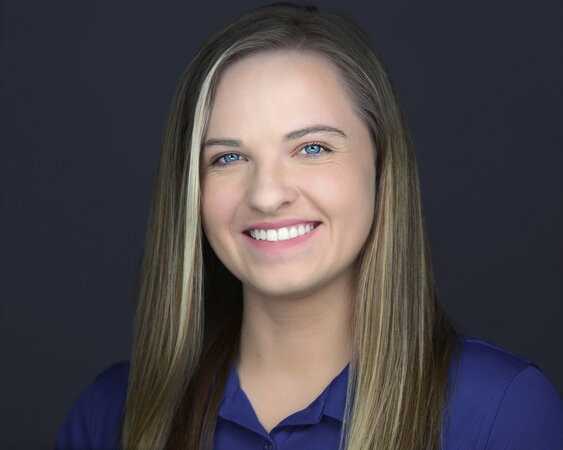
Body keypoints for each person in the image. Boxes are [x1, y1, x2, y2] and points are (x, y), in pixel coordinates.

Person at [56, 3, 563, 449]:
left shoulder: (503, 412)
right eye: (228, 157)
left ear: (381, 164)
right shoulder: (107, 415)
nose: (266, 194)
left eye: (312, 148)